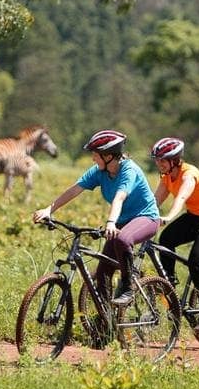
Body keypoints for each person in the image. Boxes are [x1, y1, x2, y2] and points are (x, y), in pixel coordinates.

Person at [32, 129, 159, 305]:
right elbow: (74, 189)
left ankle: (128, 287)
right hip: (121, 221)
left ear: (109, 156)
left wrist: (111, 222)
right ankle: (106, 324)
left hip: (146, 218)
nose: (93, 158)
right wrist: (49, 210)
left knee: (123, 239)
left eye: (96, 155)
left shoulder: (129, 170)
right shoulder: (99, 171)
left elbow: (119, 197)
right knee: (102, 274)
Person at [150, 137, 199, 334]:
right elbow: (153, 202)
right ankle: (170, 284)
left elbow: (182, 198)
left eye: (162, 160)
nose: (158, 164)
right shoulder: (166, 177)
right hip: (193, 218)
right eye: (157, 160)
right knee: (166, 240)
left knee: (195, 262)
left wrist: (168, 217)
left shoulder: (189, 175)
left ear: (175, 160)